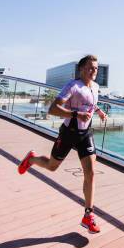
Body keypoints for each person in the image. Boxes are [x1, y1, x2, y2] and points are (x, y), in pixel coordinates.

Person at [17, 55, 107, 233]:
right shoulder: (72, 86)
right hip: (68, 133)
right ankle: (33, 159)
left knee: (91, 173)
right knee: (52, 166)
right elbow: (53, 109)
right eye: (90, 67)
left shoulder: (95, 87)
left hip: (85, 134)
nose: (93, 71)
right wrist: (75, 115)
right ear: (81, 69)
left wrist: (99, 111)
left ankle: (88, 215)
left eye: (96, 68)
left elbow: (90, 102)